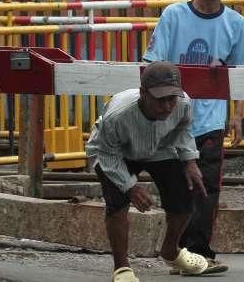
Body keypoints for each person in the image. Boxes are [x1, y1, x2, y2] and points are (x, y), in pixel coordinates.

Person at [142, 0, 244, 273]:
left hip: (211, 120)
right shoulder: (174, 16)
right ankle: (177, 252)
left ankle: (199, 253)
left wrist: (237, 115)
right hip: (172, 120)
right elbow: (154, 63)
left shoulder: (236, 24)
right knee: (178, 189)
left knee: (207, 188)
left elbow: (243, 75)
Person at [86, 61, 225, 281]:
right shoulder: (118, 115)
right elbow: (107, 154)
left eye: (172, 99)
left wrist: (189, 160)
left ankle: (171, 250)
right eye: (160, 99)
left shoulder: (183, 104)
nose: (168, 106)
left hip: (158, 146)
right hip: (115, 152)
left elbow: (183, 127)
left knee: (184, 194)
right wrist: (130, 187)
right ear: (143, 93)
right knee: (117, 202)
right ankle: (122, 268)